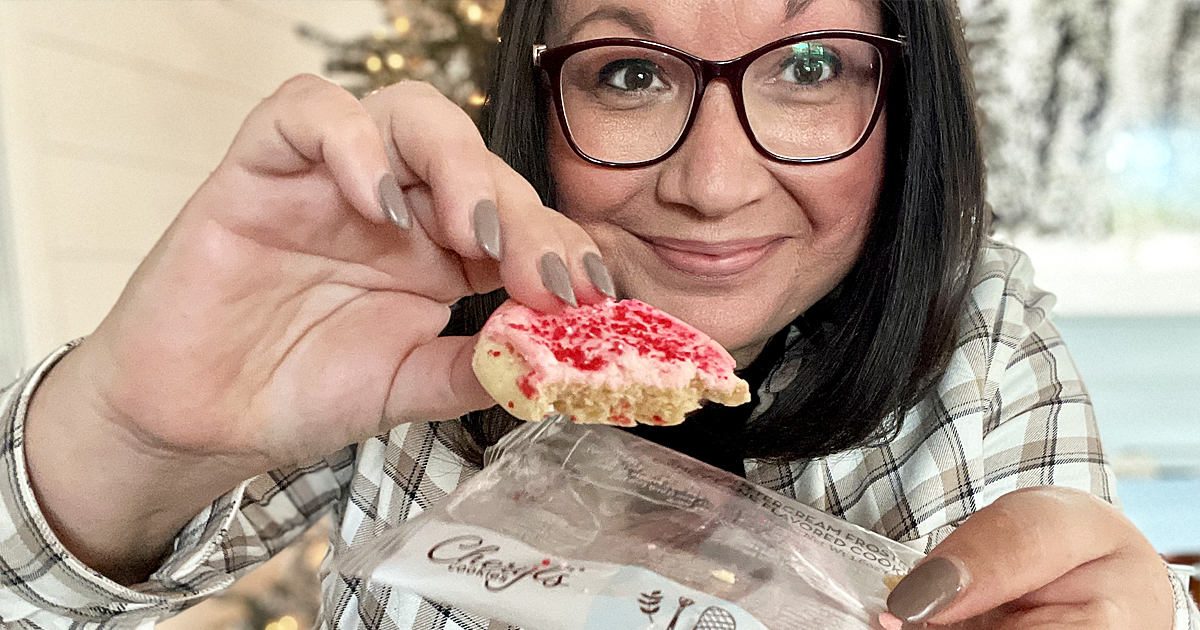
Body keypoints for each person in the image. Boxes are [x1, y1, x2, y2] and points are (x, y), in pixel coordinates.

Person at [1, 0, 1195, 628]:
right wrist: (123, 438)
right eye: (630, 73)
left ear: (907, 99)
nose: (715, 184)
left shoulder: (983, 349)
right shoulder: (400, 324)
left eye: (813, 65)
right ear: (537, 91)